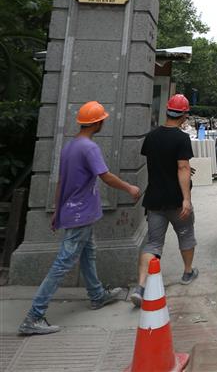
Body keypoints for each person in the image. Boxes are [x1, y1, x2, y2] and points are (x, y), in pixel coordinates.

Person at [18, 101, 141, 336]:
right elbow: (105, 176)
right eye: (102, 119)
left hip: (73, 211)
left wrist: (57, 210)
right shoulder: (89, 148)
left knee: (88, 252)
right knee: (63, 263)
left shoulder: (70, 146)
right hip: (81, 213)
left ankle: (97, 295)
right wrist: (130, 188)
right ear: (97, 122)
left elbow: (62, 182)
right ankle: (34, 315)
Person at [130, 93, 198, 306]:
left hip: (155, 200)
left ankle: (140, 287)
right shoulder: (181, 138)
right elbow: (182, 166)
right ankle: (187, 272)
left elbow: (159, 161)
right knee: (186, 235)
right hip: (177, 201)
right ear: (184, 115)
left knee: (153, 244)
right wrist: (186, 199)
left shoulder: (151, 136)